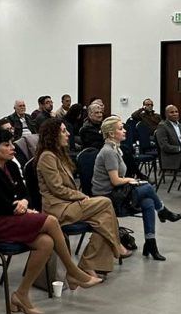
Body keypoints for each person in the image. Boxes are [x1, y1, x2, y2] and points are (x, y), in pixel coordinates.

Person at [0, 127, 100, 314]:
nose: (12, 147)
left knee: (46, 242)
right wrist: (20, 208)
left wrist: (24, 202)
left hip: (12, 217)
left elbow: (26, 192)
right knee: (51, 221)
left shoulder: (11, 166)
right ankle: (73, 271)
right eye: (6, 145)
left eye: (12, 143)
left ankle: (21, 294)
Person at [35, 118, 129, 278]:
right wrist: (81, 196)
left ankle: (90, 264)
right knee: (106, 203)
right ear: (53, 135)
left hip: (68, 204)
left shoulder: (59, 155)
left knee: (102, 220)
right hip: (58, 208)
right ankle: (110, 249)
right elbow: (57, 189)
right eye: (64, 131)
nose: (68, 134)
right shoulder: (47, 157)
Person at [93, 117, 179, 261]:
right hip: (108, 197)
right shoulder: (108, 152)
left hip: (118, 192)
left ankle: (151, 243)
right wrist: (131, 180)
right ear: (111, 134)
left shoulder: (115, 149)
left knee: (148, 203)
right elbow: (115, 181)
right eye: (120, 128)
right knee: (146, 186)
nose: (125, 130)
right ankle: (162, 210)